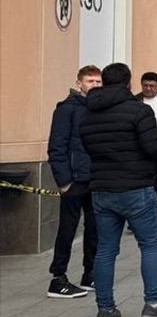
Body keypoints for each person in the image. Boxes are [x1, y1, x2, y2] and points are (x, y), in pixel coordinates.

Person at [78, 62, 157, 317]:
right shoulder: (139, 111)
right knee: (150, 245)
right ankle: (154, 305)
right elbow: (154, 146)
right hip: (136, 189)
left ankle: (105, 309)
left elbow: (88, 148)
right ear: (128, 83)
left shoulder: (88, 114)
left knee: (105, 251)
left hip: (102, 190)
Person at [46, 65, 102, 298]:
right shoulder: (66, 109)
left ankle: (90, 274)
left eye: (99, 82)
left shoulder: (97, 109)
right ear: (79, 83)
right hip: (73, 180)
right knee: (68, 229)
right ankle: (58, 278)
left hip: (94, 178)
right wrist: (64, 181)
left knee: (95, 229)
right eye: (90, 81)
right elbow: (56, 147)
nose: (95, 86)